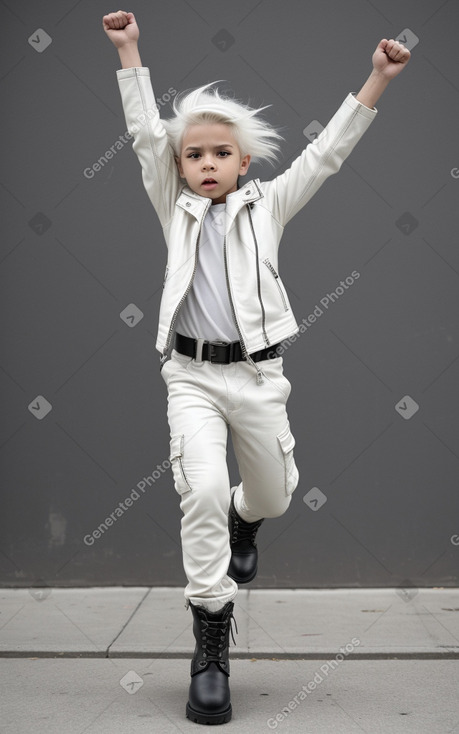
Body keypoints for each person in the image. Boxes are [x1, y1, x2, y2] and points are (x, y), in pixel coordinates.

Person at [103, 10, 411, 725]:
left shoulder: (266, 207)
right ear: (179, 167)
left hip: (258, 378)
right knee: (202, 489)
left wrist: (377, 78)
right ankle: (211, 649)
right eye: (193, 155)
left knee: (270, 496)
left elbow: (326, 154)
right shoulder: (169, 204)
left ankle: (250, 522)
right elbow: (146, 134)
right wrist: (129, 51)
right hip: (189, 377)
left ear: (243, 164)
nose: (204, 162)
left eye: (219, 153)